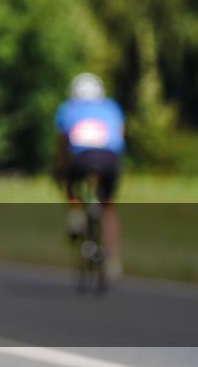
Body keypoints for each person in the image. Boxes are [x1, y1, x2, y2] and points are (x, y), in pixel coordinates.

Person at [55, 72, 125, 280]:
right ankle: (112, 259)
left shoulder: (67, 108)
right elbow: (119, 138)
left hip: (81, 159)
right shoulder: (112, 107)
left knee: (68, 178)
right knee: (108, 207)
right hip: (109, 159)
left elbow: (62, 146)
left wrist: (60, 169)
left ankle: (75, 210)